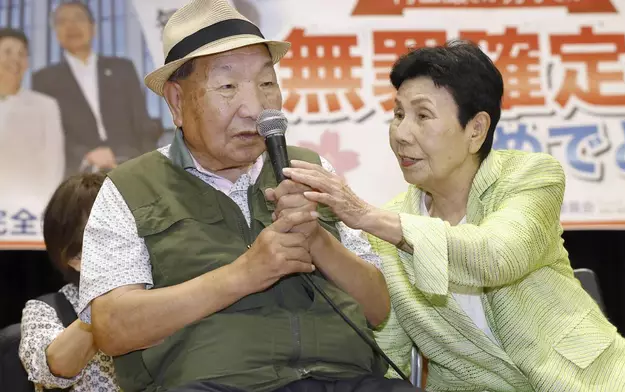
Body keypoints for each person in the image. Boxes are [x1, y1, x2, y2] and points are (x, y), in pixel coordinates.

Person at [78, 1, 423, 392]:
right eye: (227, 87)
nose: (255, 109)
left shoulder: (311, 168)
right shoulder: (129, 187)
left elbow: (377, 308)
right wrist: (245, 274)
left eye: (266, 83)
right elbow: (111, 328)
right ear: (176, 102)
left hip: (344, 379)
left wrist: (316, 239)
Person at [283, 41, 625, 391]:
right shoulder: (387, 227)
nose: (401, 134)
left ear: (476, 130)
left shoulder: (530, 176)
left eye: (422, 115)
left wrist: (364, 215)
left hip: (595, 381)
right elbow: (389, 351)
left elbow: (499, 256)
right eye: (398, 114)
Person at [32, 1, 160, 176]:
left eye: (78, 18)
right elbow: (48, 136)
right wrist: (86, 156)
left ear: (93, 28)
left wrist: (148, 163)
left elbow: (141, 122)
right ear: (56, 34)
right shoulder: (44, 80)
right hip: (79, 173)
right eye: (62, 21)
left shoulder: (123, 68)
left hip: (131, 164)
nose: (71, 26)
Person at [19, 172, 119, 392]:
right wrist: (111, 298)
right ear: (75, 257)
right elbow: (56, 368)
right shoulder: (45, 311)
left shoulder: (162, 291)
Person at [0, 28, 65, 225]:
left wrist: (41, 210)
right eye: (8, 52)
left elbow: (54, 164)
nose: (15, 60)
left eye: (22, 54)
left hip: (28, 216)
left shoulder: (45, 106)